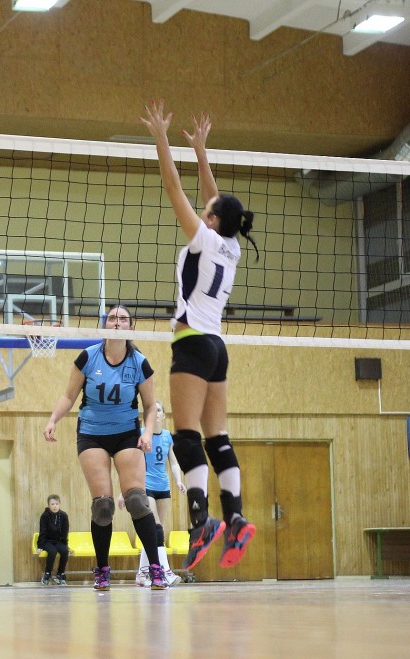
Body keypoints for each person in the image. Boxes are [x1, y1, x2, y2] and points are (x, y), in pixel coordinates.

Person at [141, 100, 258, 570]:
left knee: (187, 437)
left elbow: (174, 188)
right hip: (218, 348)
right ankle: (236, 517)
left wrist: (161, 139)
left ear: (210, 220)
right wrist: (202, 153)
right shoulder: (230, 246)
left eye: (207, 209)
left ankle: (201, 521)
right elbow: (217, 200)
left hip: (191, 343)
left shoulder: (205, 237)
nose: (205, 205)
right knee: (217, 437)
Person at [44, 305, 166, 590]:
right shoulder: (88, 357)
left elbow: (150, 406)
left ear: (130, 327)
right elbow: (68, 395)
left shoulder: (139, 363)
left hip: (126, 434)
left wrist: (148, 433)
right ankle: (102, 570)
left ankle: (156, 568)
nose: (117, 323)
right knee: (103, 506)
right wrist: (52, 420)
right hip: (92, 434)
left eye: (123, 319)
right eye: (112, 318)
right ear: (104, 325)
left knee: (137, 501)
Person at [135, 400, 185, 587]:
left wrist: (178, 480)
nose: (156, 414)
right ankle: (166, 571)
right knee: (155, 529)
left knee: (155, 531)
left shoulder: (167, 436)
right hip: (146, 485)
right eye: (152, 410)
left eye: (159, 411)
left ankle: (142, 573)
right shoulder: (141, 434)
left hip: (163, 486)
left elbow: (173, 462)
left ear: (163, 415)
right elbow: (132, 461)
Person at [36, 495, 71, 586]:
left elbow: (65, 532)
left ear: (59, 504)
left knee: (64, 551)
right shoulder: (44, 516)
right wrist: (40, 546)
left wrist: (66, 544)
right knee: (52, 551)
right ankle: (47, 573)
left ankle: (60, 573)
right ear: (49, 505)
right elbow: (42, 531)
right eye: (52, 504)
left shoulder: (63, 515)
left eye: (56, 504)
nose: (55, 506)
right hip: (47, 541)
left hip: (59, 541)